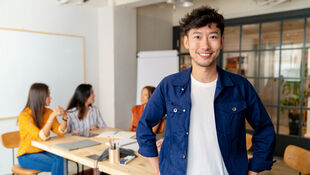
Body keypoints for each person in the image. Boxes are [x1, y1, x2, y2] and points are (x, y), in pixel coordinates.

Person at [136, 6, 276, 175]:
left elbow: (265, 130)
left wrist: (254, 169)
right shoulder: (169, 86)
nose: (205, 45)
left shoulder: (240, 87)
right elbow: (144, 127)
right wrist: (157, 167)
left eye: (212, 37)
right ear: (186, 42)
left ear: (221, 41)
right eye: (197, 36)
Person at [17, 83, 68, 174]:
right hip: (26, 156)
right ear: (40, 97)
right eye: (48, 95)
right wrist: (51, 117)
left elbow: (60, 131)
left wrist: (64, 117)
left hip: (43, 151)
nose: (51, 97)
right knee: (57, 162)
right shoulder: (24, 116)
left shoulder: (48, 112)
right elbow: (41, 136)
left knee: (63, 159)